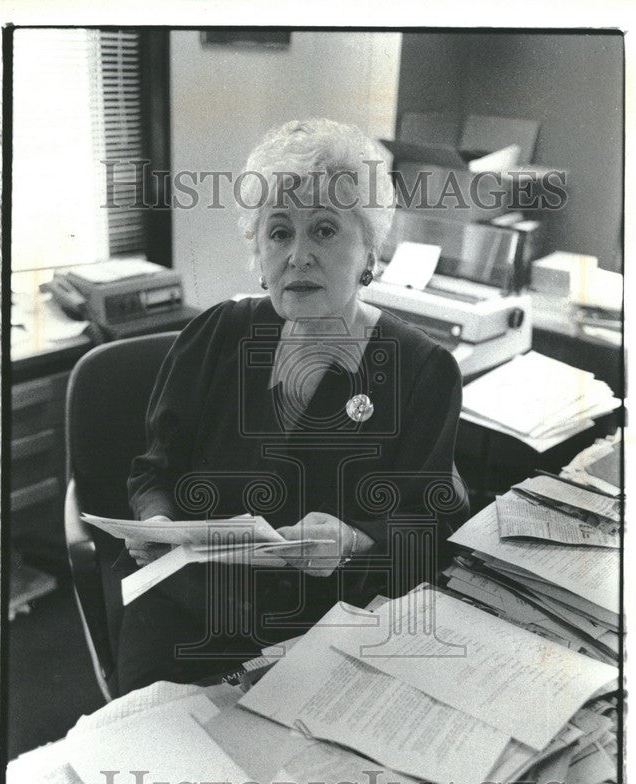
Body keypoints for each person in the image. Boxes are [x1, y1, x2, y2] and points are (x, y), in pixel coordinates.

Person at [110, 118, 469, 695]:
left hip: (328, 627)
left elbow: (432, 524)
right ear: (258, 249)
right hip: (188, 607)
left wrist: (355, 538)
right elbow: (155, 471)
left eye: (324, 231)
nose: (298, 256)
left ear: (369, 253)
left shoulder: (420, 370)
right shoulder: (217, 335)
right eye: (279, 233)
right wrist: (154, 521)